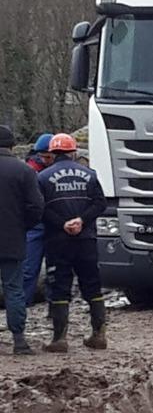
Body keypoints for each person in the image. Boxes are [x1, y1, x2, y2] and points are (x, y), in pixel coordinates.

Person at [38, 133, 108, 353]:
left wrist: (63, 224)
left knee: (59, 287)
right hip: (86, 239)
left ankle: (59, 339)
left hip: (58, 241)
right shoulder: (90, 175)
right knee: (92, 285)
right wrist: (82, 220)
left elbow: (40, 209)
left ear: (52, 153)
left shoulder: (42, 177)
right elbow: (100, 203)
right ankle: (99, 335)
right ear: (74, 152)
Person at [0, 125, 45, 355]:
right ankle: (18, 340)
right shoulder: (24, 171)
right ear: (13, 145)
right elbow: (37, 207)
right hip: (12, 239)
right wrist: (23, 226)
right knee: (14, 288)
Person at [23, 133, 54, 305]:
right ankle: (23, 305)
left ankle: (54, 306)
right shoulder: (31, 172)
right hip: (37, 225)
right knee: (29, 269)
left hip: (46, 224)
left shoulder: (33, 169)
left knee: (53, 269)